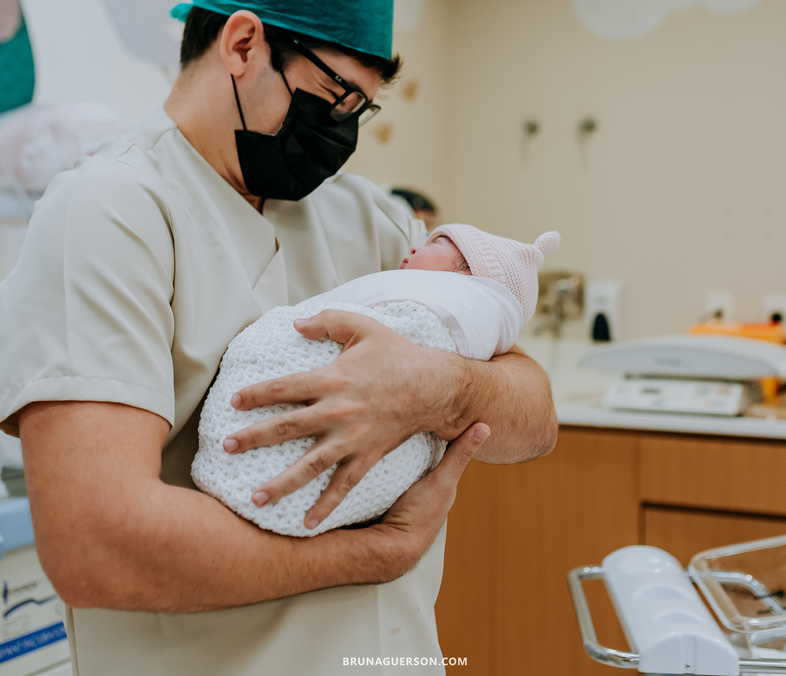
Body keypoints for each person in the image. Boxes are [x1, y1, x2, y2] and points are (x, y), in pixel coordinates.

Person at [0, 0, 557, 675]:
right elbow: (96, 546)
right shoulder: (107, 214)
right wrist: (375, 550)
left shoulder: (371, 217)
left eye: (362, 107)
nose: (342, 129)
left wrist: (439, 386)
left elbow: (534, 415)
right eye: (332, 95)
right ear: (242, 44)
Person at [193, 226, 561, 537]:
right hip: (220, 563)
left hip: (396, 612)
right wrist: (392, 546)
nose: (414, 248)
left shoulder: (392, 225)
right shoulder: (148, 201)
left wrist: (426, 383)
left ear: (467, 276)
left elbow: (539, 423)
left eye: (433, 245)